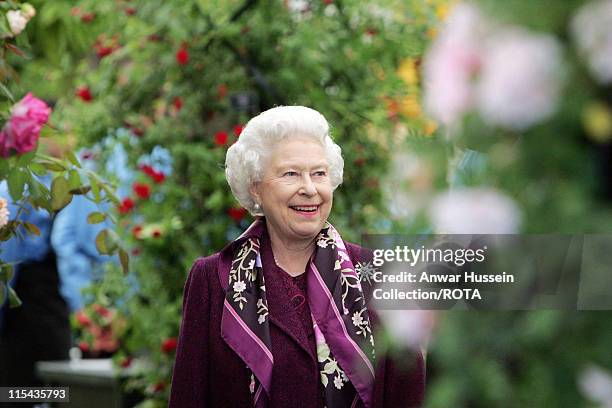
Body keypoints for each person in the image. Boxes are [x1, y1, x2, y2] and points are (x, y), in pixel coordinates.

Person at [169, 106, 425, 407]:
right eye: (290, 174)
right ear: (256, 188)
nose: (309, 188)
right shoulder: (213, 278)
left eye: (318, 173)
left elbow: (409, 395)